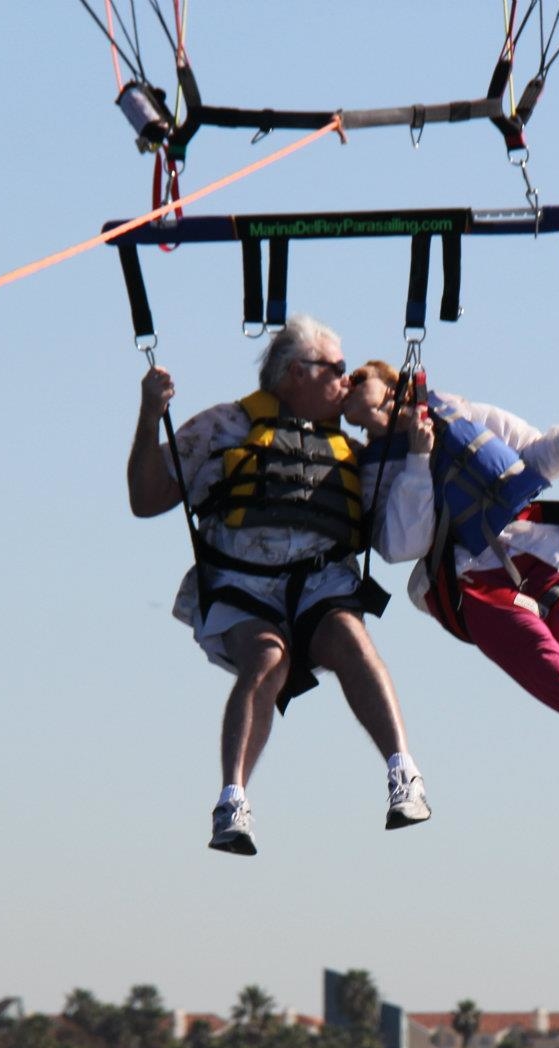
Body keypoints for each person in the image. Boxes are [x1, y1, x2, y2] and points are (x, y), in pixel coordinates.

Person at [128, 319, 431, 854]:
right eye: (337, 370)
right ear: (297, 374)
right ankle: (231, 800)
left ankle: (404, 774)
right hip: (242, 586)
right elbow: (147, 499)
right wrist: (150, 415)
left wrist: (400, 435)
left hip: (322, 583)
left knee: (352, 642)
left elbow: (402, 522)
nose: (346, 380)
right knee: (268, 659)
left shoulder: (355, 447)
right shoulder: (224, 427)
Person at [345, 361, 559, 801]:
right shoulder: (375, 472)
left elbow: (532, 455)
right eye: (346, 395)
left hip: (537, 549)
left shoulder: (460, 412)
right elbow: (402, 544)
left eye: (357, 378)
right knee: (531, 645)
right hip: (470, 575)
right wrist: (417, 458)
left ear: (389, 380)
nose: (347, 386)